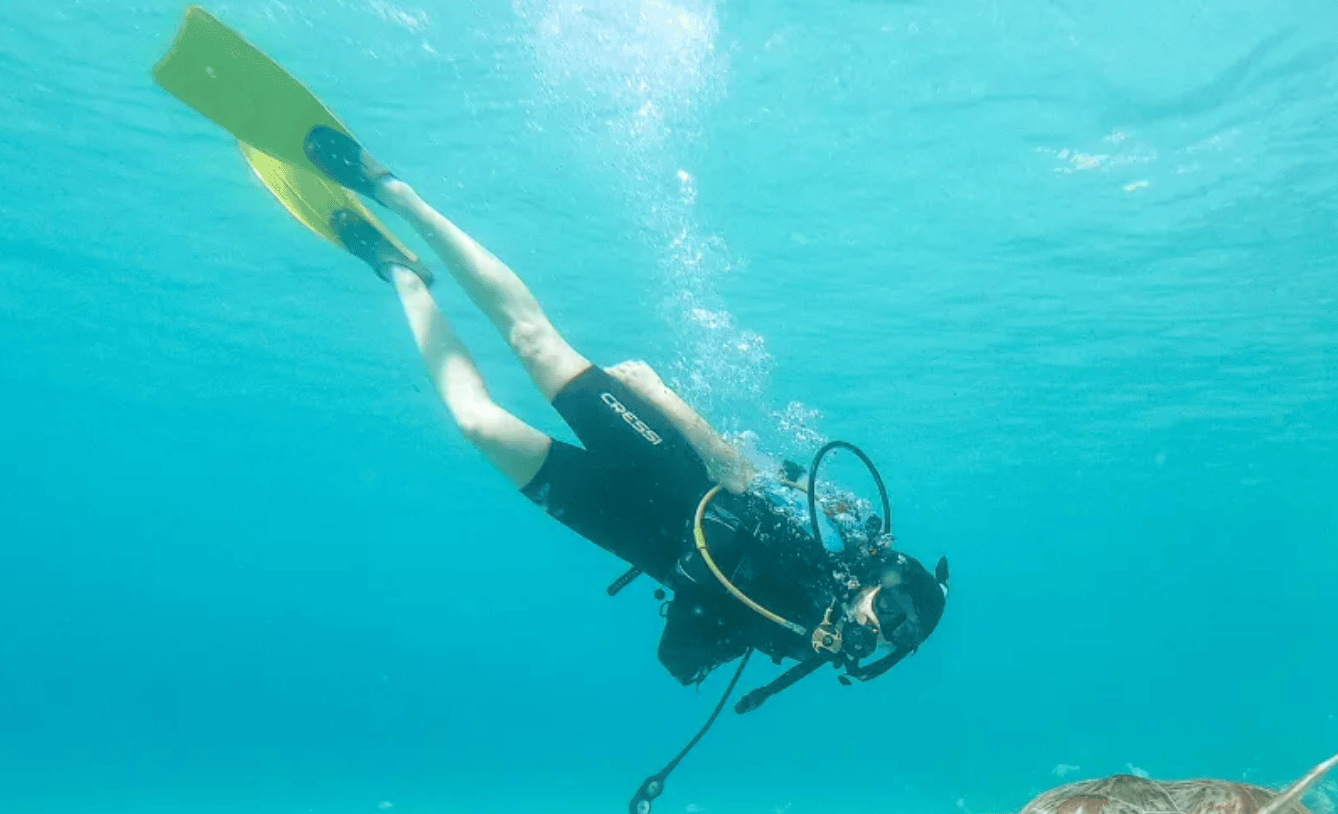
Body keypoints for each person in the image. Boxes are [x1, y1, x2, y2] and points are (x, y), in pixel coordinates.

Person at [299, 127, 949, 704]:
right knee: (533, 343)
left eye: (895, 636)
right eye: (891, 606)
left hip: (632, 531)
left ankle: (400, 273)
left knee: (477, 424)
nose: (878, 624)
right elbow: (735, 470)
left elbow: (692, 642)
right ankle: (391, 190)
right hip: (669, 466)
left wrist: (737, 640)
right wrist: (665, 397)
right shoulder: (831, 548)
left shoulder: (809, 642)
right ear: (883, 579)